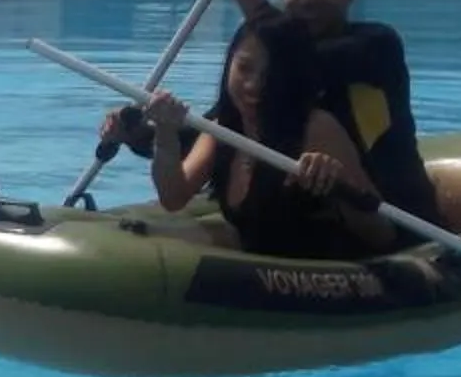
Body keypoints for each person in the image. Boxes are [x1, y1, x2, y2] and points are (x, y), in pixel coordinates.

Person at [102, 0, 440, 226]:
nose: (307, 0)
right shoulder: (262, 84)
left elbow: (294, 57)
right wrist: (142, 132)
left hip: (397, 220)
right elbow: (210, 138)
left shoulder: (376, 46)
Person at [142, 14, 399, 260]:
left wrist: (340, 185)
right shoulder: (222, 129)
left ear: (291, 79)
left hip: (324, 273)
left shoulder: (316, 129)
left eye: (271, 76)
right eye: (244, 68)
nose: (253, 86)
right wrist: (165, 135)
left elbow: (383, 234)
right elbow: (173, 197)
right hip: (255, 271)